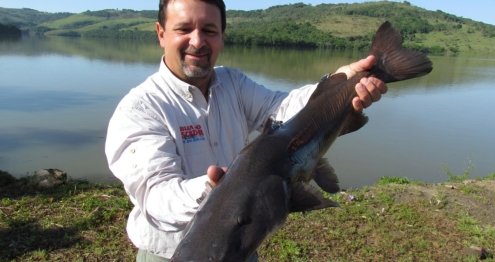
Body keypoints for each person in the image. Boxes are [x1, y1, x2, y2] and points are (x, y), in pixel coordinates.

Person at [104, 0, 387, 260]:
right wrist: (212, 191)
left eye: (209, 30)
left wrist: (342, 82)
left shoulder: (232, 83)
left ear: (223, 37)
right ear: (161, 33)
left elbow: (284, 111)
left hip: (240, 246)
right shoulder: (139, 109)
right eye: (184, 29)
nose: (197, 41)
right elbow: (156, 195)